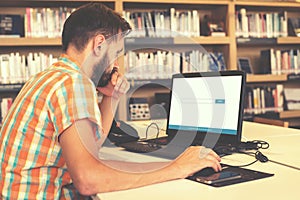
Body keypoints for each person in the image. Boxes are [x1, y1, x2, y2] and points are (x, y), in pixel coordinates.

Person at [0, 2, 221, 199]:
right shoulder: (74, 84)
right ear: (99, 44)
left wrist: (111, 97)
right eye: (115, 53)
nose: (116, 65)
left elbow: (90, 149)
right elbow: (88, 180)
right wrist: (178, 167)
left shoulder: (52, 76)